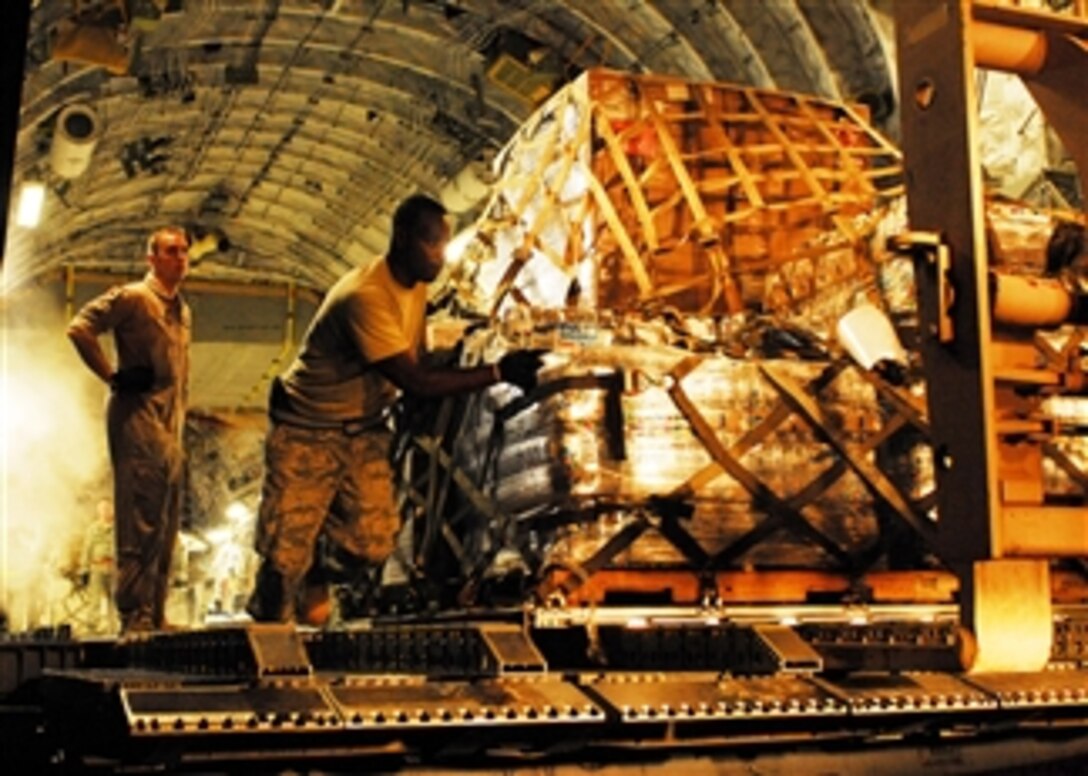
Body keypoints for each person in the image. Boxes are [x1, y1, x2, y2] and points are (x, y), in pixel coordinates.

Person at [247, 194, 543, 624]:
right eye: (431, 244)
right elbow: (416, 381)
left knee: (373, 545)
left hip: (363, 430)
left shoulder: (417, 288)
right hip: (307, 430)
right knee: (283, 558)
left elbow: (416, 361)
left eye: (444, 244)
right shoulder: (365, 296)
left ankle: (315, 561)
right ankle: (270, 640)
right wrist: (497, 373)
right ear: (402, 238)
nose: (440, 257)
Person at [67, 226, 191, 633]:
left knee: (166, 521)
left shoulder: (182, 310)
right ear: (151, 258)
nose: (180, 258)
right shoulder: (135, 298)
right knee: (141, 517)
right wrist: (112, 376)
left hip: (169, 424)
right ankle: (134, 616)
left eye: (184, 251)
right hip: (137, 418)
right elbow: (80, 328)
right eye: (171, 251)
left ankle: (155, 613)